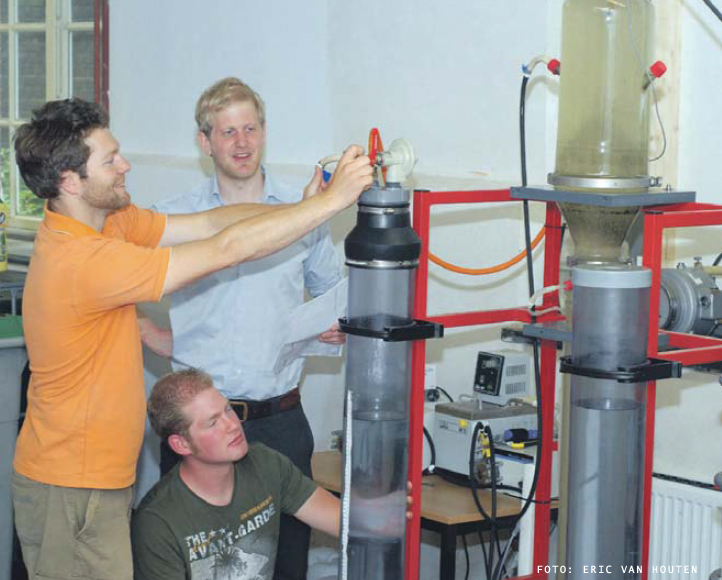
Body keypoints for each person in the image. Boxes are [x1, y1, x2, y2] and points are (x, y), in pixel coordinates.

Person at [11, 97, 372, 580]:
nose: (125, 165)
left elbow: (211, 223)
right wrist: (330, 203)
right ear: (70, 181)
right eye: (110, 160)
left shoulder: (109, 224)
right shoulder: (82, 261)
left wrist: (303, 208)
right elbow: (225, 249)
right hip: (71, 486)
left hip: (95, 480)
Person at [138, 77, 345, 580]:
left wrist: (337, 326)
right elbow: (112, 280)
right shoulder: (173, 217)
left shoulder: (301, 214)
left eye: (250, 128)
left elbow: (333, 295)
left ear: (265, 132)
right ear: (204, 141)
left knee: (286, 561)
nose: (242, 142)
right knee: (196, 564)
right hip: (197, 428)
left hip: (278, 421)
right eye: (227, 132)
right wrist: (154, 336)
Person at [132, 369, 411, 580]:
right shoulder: (157, 521)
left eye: (228, 409)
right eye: (213, 422)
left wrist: (378, 514)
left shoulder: (265, 463)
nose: (233, 425)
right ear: (181, 444)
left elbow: (341, 519)